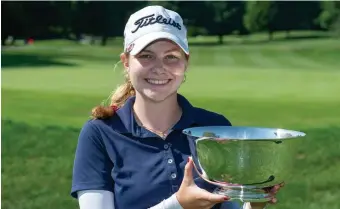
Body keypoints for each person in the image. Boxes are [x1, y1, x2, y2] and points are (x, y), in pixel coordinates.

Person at [70, 5, 283, 209]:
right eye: (146, 56)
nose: (159, 68)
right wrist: (178, 205)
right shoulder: (100, 133)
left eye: (171, 57)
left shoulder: (214, 126)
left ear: (185, 62)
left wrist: (254, 203)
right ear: (126, 61)